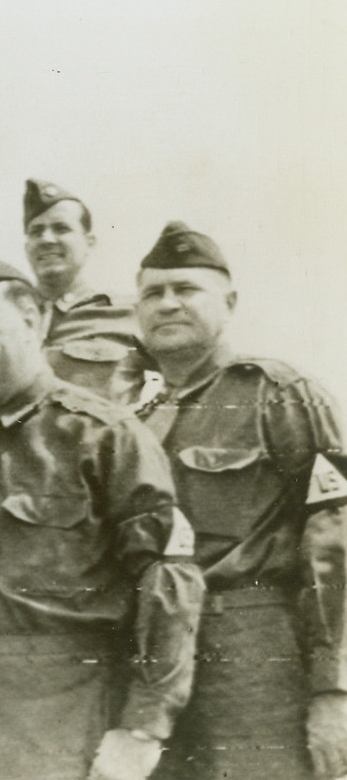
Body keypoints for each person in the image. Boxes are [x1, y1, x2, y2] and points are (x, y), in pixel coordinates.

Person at [0, 256, 204, 780]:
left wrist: (143, 725)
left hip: (61, 709)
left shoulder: (101, 434)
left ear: (32, 319)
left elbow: (168, 580)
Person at [134, 222, 347, 780]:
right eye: (153, 293)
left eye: (186, 289)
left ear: (229, 303)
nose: (168, 303)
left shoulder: (279, 394)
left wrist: (333, 688)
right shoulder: (136, 423)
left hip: (254, 655)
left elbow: (335, 539)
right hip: (152, 666)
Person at [22, 178, 143, 401]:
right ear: (27, 247)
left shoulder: (129, 314)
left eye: (61, 228)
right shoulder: (10, 318)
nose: (46, 239)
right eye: (36, 232)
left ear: (89, 243)